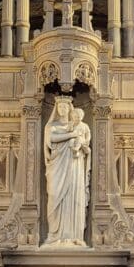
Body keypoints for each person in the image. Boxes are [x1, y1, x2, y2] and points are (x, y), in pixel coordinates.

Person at [43, 98, 91, 247]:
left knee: (74, 195)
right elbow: (51, 138)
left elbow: (86, 140)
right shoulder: (51, 126)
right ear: (56, 108)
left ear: (70, 108)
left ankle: (74, 236)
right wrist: (71, 135)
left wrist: (80, 142)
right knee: (54, 195)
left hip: (74, 164)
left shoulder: (79, 126)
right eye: (59, 107)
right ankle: (54, 235)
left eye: (65, 107)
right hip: (57, 164)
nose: (62, 109)